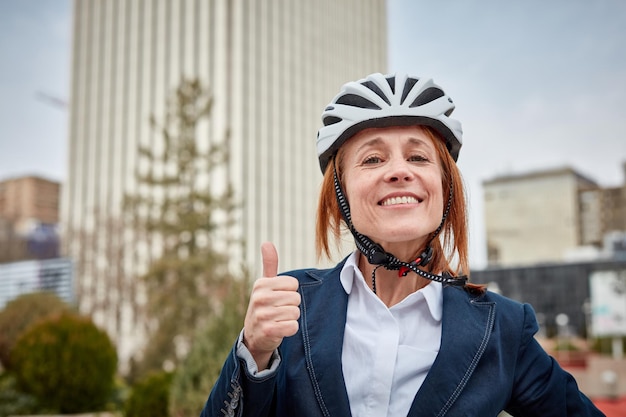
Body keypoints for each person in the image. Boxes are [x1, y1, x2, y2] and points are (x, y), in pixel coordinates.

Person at [201, 73, 604, 416]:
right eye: (373, 160)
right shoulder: (287, 307)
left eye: (418, 157)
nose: (398, 172)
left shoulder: (502, 328)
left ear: (445, 190)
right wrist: (254, 351)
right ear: (339, 199)